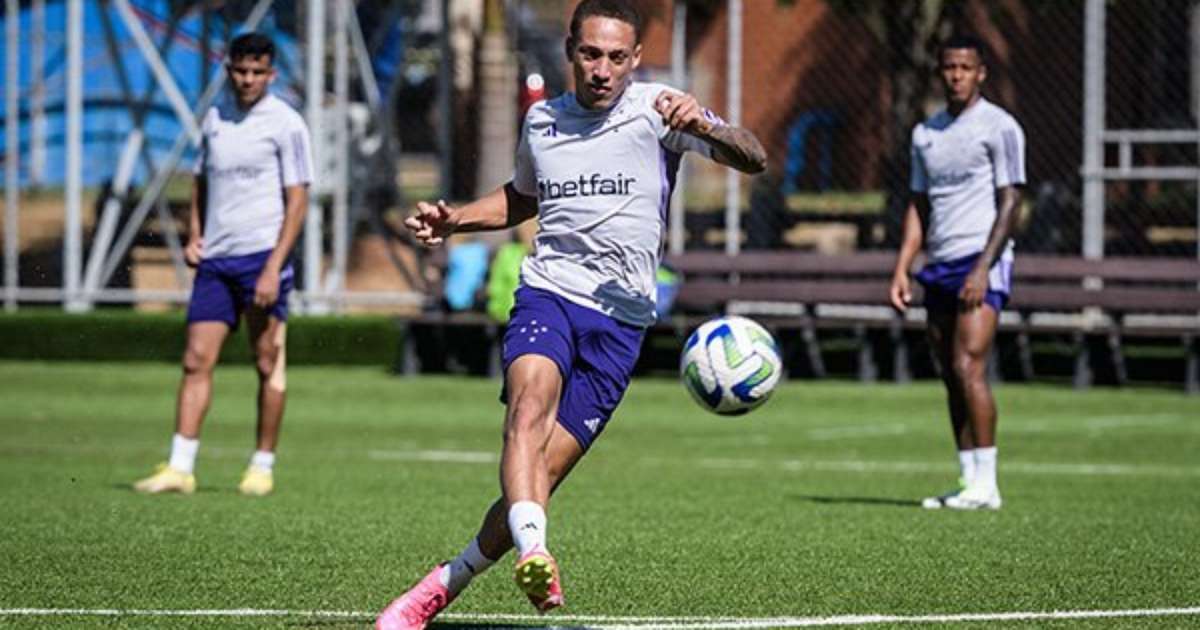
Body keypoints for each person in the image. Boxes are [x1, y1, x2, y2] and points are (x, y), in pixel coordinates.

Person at [376, 1, 766, 627]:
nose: (603, 70)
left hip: (621, 324)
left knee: (535, 480)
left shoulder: (660, 112)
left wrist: (710, 128)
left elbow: (755, 157)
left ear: (635, 59)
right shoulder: (544, 123)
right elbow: (522, 198)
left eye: (617, 57)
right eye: (591, 54)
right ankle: (537, 552)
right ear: (570, 51)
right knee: (528, 406)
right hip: (550, 290)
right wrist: (456, 220)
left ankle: (441, 585)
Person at [133, 33, 313, 497]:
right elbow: (200, 181)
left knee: (267, 359)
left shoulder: (287, 123)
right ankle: (180, 466)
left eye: (258, 72)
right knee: (196, 359)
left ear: (271, 75)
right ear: (228, 69)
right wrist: (196, 234)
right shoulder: (214, 118)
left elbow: (298, 200)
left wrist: (275, 265)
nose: (248, 79)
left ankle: (262, 465)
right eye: (241, 70)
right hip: (217, 261)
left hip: (261, 257)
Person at [889, 34, 1026, 511]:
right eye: (949, 67)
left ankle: (988, 483)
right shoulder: (926, 133)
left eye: (966, 68)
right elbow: (919, 205)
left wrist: (984, 267)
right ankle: (969, 481)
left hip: (980, 258)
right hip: (940, 263)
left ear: (981, 72)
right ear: (939, 72)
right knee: (949, 371)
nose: (957, 75)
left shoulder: (999, 127)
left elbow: (1012, 201)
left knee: (969, 366)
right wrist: (904, 267)